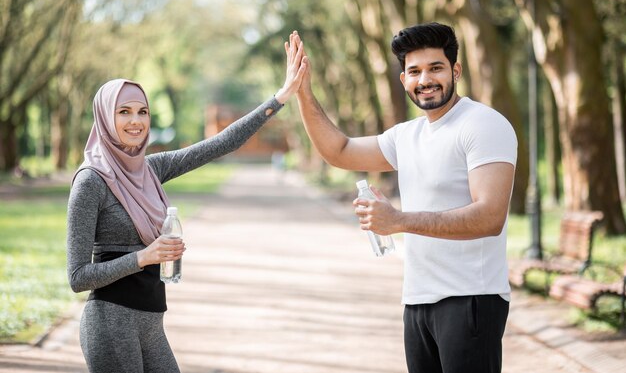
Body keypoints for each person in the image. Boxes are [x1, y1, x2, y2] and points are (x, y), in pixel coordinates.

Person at [66, 32, 307, 373]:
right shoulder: (91, 181)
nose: (135, 121)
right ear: (105, 117)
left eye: (142, 111)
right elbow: (77, 277)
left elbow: (219, 144)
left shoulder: (151, 169)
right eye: (123, 112)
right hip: (110, 323)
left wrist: (280, 97)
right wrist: (144, 256)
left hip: (152, 320)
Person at [293, 23, 517, 373]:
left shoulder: (482, 125)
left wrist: (397, 220)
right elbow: (339, 151)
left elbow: (490, 217)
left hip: (471, 299)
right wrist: (303, 93)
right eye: (414, 71)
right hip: (417, 302)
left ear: (456, 71)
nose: (425, 79)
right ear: (404, 80)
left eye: (436, 68)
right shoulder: (407, 135)